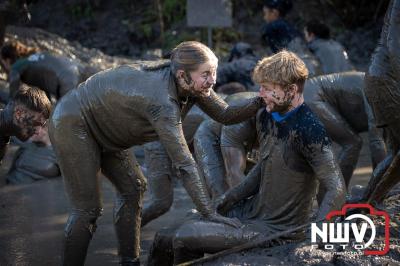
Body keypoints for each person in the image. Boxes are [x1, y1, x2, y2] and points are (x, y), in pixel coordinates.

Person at [49, 41, 264, 266]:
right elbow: (184, 164)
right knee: (87, 209)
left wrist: (260, 101)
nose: (213, 80)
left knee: (134, 188)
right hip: (73, 122)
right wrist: (209, 213)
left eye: (214, 72)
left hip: (107, 133)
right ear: (183, 75)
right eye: (207, 74)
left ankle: (129, 262)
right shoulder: (163, 102)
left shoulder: (191, 83)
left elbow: (226, 113)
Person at [165, 50, 345, 264]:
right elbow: (262, 168)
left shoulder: (310, 130)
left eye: (268, 89)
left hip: (276, 229)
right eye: (260, 87)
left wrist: (318, 234)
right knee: (175, 229)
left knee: (184, 236)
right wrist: (230, 198)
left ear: (291, 90)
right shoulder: (268, 115)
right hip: (252, 211)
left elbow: (337, 187)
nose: (261, 94)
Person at [357, 0, 400, 204]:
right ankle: (367, 204)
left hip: (381, 78)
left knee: (395, 152)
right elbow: (394, 47)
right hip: (386, 80)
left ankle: (367, 203)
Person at [1, 41, 97, 100]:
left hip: (65, 80)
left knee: (64, 120)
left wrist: (11, 100)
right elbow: (44, 96)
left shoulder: (17, 66)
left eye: (2, 63)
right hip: (80, 68)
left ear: (8, 60)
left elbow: (13, 85)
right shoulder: (35, 57)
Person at [0, 84, 51, 164]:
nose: (38, 131)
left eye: (41, 126)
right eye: (36, 123)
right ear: (19, 114)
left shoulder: (4, 139)